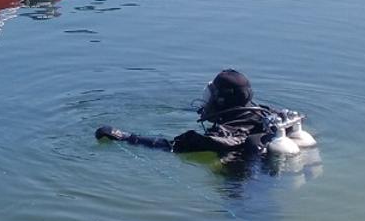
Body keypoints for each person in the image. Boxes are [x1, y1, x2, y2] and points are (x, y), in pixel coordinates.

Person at [96, 69, 313, 168]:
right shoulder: (265, 113)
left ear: (220, 100)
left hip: (246, 187)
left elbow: (171, 146)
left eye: (211, 96)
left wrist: (123, 136)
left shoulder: (225, 133)